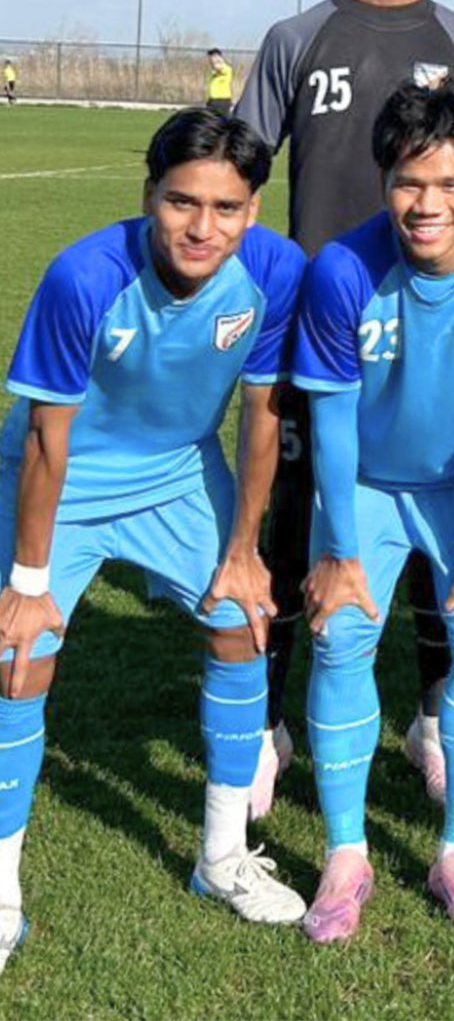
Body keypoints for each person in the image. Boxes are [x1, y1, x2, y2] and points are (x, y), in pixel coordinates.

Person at [235, 0, 454, 818]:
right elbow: (244, 173)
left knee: (441, 517)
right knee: (297, 515)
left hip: (441, 333)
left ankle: (433, 716)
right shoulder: (293, 39)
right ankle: (270, 725)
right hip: (324, 331)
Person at [0, 108, 309, 971]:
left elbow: (260, 417)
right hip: (67, 479)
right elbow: (43, 440)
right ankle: (1, 896)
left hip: (177, 471)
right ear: (149, 195)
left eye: (227, 207)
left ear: (253, 209)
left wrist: (244, 549)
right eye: (181, 203)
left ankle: (220, 858)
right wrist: (28, 581)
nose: (201, 228)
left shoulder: (277, 273)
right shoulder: (83, 276)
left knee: (242, 622)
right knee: (19, 657)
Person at [292, 84, 454, 942]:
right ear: (384, 180)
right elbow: (329, 425)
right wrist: (337, 548)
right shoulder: (342, 271)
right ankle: (345, 853)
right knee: (340, 630)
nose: (426, 204)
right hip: (365, 484)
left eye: (449, 183)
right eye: (408, 182)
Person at [205, 49, 234, 115]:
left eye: (213, 57)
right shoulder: (213, 72)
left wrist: (219, 61)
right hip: (213, 101)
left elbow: (220, 67)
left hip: (222, 101)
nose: (211, 60)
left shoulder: (226, 68)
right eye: (210, 57)